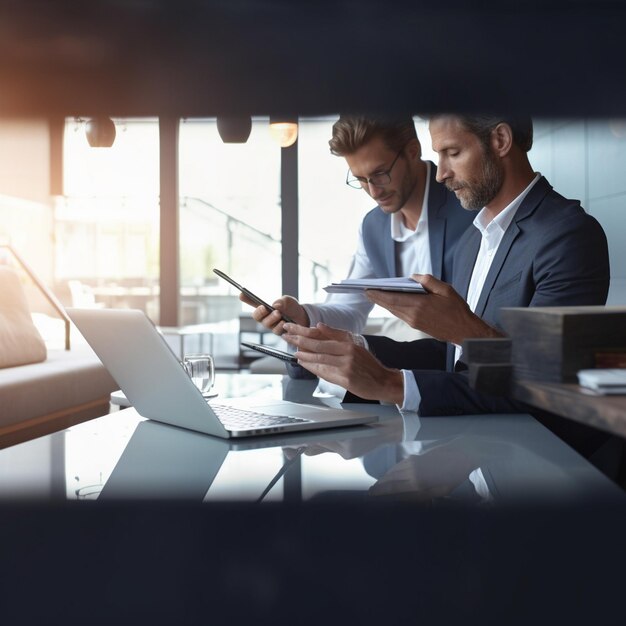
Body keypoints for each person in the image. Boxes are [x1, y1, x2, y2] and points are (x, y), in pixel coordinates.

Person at [280, 114, 610, 421]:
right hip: (475, 449)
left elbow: (544, 382)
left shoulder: (568, 235)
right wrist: (355, 348)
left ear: (500, 140)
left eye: (452, 152)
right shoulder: (472, 241)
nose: (440, 173)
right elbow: (453, 360)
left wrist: (393, 383)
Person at [241, 114, 474, 338]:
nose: (373, 191)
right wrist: (303, 315)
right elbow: (351, 312)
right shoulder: (373, 227)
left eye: (380, 174)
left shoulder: (469, 205)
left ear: (413, 151)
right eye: (361, 179)